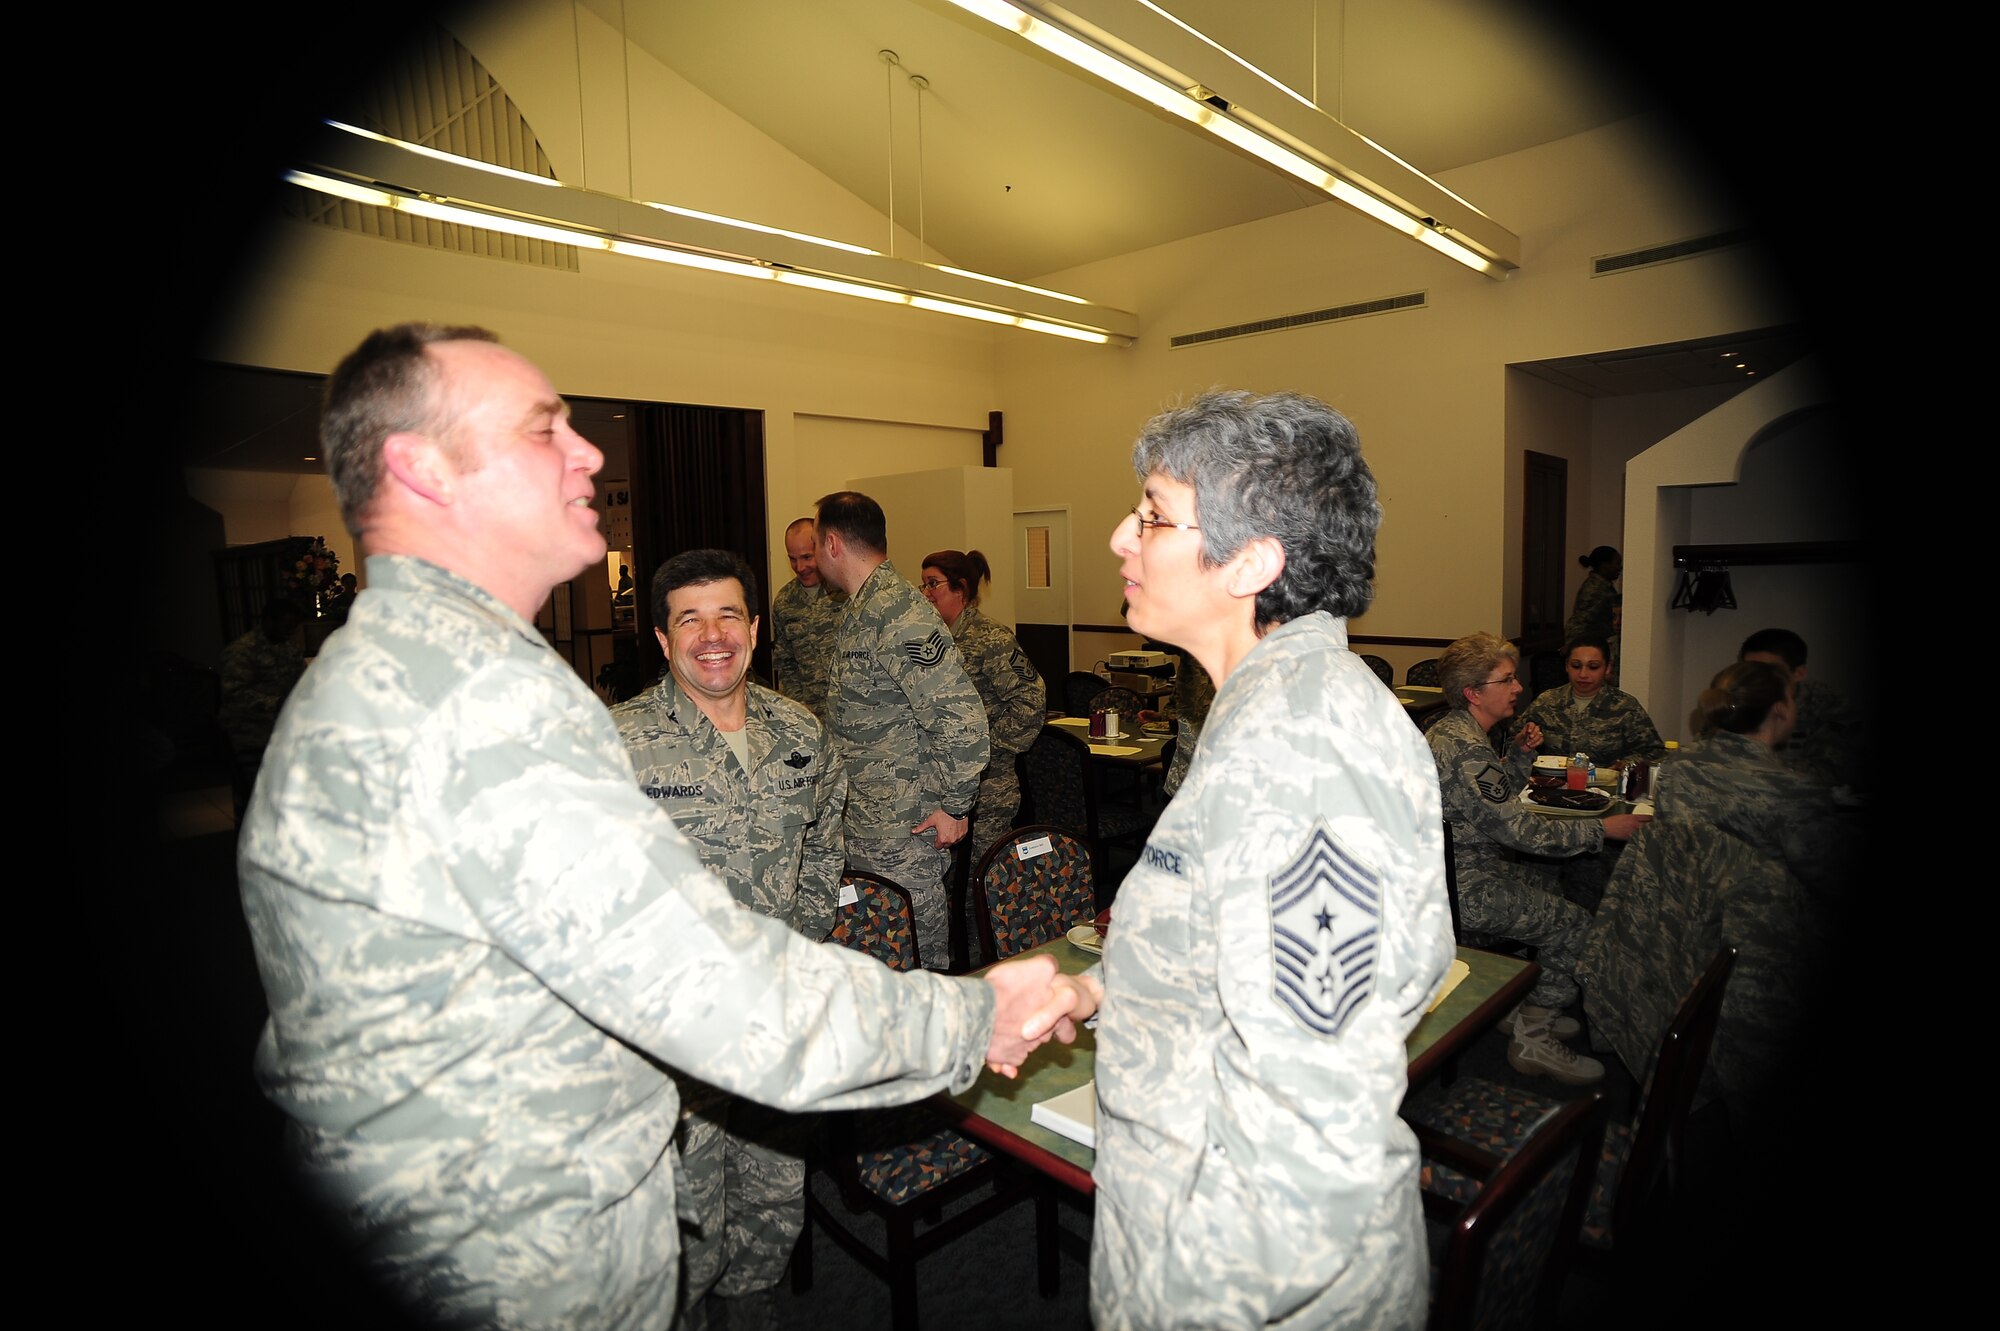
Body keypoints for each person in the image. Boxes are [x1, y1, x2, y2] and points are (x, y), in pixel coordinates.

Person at [236, 323, 1099, 1331]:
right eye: (543, 427)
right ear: (420, 467)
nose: (588, 452)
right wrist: (972, 1013)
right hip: (509, 1260)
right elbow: (710, 987)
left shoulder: (423, 671)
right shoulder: (468, 704)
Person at [1092, 390, 1456, 1331]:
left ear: (1251, 562)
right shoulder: (1273, 705)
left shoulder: (1302, 744)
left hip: (1246, 1285)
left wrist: (1178, 1308)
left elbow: (1310, 1137)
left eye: (1152, 516)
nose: (1119, 538)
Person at [609, 548, 844, 1330]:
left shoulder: (799, 729)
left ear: (756, 625)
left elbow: (825, 846)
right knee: (683, 1230)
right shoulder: (619, 743)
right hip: (672, 1044)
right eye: (690, 618)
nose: (712, 635)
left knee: (773, 1208)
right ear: (661, 637)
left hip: (773, 1025)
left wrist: (803, 951)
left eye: (728, 615)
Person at [1428, 631, 1648, 1084]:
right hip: (1460, 885)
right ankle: (1533, 1035)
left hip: (1465, 865)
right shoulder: (1465, 747)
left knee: (1555, 891)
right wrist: (1602, 830)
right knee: (1574, 924)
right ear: (1474, 693)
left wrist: (1521, 757)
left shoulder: (1461, 731)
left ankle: (1527, 1003)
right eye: (1506, 680)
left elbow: (1494, 803)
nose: (1518, 688)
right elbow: (1519, 829)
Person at [815, 491, 989, 970]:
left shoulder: (898, 612)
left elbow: (961, 720)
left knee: (919, 968)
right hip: (867, 825)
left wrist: (954, 806)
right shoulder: (861, 608)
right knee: (879, 968)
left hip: (903, 832)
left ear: (832, 543)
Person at [1656, 657, 1856, 897]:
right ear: (1780, 708)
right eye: (1791, 698)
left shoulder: (1677, 764)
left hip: (1682, 915)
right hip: (1762, 925)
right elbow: (1829, 882)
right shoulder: (1795, 790)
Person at [919, 548, 1045, 848]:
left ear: (960, 587)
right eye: (923, 584)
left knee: (980, 878)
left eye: (933, 583)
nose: (925, 593)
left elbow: (1031, 701)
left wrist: (990, 748)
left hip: (990, 789)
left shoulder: (991, 639)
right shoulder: (933, 639)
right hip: (945, 785)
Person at [1507, 634, 1666, 767]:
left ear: (1607, 668)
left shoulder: (1625, 706)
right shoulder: (1547, 702)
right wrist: (1528, 746)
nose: (1583, 674)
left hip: (1606, 791)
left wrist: (1624, 765)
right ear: (1566, 667)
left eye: (1593, 667)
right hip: (1554, 787)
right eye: (1576, 666)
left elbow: (1655, 753)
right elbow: (1512, 740)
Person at [1738, 627, 1864, 789]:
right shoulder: (1738, 698)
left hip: (1809, 802)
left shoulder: (1829, 704)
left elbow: (1833, 772)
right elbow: (1712, 753)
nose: (1757, 678)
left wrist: (1754, 767)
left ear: (1799, 673)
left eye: (1771, 670)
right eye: (1750, 669)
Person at [217, 595, 307, 773]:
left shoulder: (289, 649)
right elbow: (234, 694)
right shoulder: (242, 651)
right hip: (252, 727)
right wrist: (275, 703)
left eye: (293, 628)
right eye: (286, 626)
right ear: (269, 621)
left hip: (285, 722)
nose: (290, 632)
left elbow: (302, 680)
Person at [769, 516, 846, 719]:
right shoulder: (785, 601)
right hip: (811, 716)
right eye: (792, 559)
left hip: (853, 713)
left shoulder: (846, 591)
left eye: (806, 557)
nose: (800, 567)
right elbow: (785, 664)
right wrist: (798, 708)